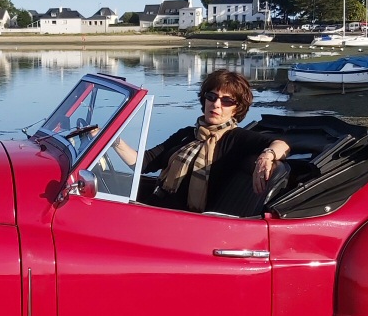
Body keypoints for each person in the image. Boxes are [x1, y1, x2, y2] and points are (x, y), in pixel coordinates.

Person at [113, 69, 290, 213]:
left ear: (238, 109)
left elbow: (282, 144)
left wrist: (267, 156)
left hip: (188, 223)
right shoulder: (188, 134)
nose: (216, 104)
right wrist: (113, 139)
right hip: (156, 207)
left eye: (227, 101)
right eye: (212, 97)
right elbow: (144, 163)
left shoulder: (235, 138)